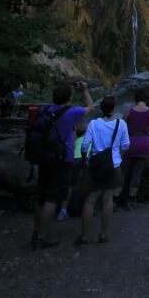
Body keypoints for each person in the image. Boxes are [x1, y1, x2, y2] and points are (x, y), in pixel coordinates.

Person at [31, 79, 94, 250]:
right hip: (61, 158)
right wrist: (85, 91)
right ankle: (43, 237)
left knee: (41, 197)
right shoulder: (71, 112)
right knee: (52, 198)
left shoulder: (46, 110)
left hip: (44, 157)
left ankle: (37, 232)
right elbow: (90, 107)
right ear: (69, 97)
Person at [77, 95, 130, 245]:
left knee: (90, 201)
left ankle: (84, 236)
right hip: (113, 165)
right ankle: (103, 234)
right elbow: (125, 145)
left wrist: (84, 159)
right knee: (108, 199)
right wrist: (118, 156)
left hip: (94, 165)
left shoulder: (94, 124)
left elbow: (85, 145)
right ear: (114, 108)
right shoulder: (121, 124)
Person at [118, 88, 149, 211]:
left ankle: (116, 198)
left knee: (123, 171)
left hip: (130, 142)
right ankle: (131, 199)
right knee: (137, 172)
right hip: (144, 142)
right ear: (146, 99)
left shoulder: (128, 111)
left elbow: (123, 126)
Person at [57, 120, 88, 221]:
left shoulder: (76, 141)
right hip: (84, 158)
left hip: (74, 159)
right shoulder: (89, 139)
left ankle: (63, 210)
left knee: (70, 185)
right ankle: (87, 209)